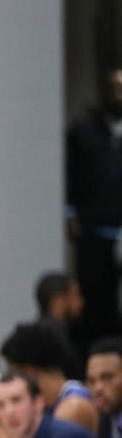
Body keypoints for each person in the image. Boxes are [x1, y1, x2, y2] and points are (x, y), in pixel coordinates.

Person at [66, 66, 122, 337]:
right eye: (115, 88)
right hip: (96, 228)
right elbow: (72, 173)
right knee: (96, 296)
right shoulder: (84, 130)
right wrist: (70, 212)